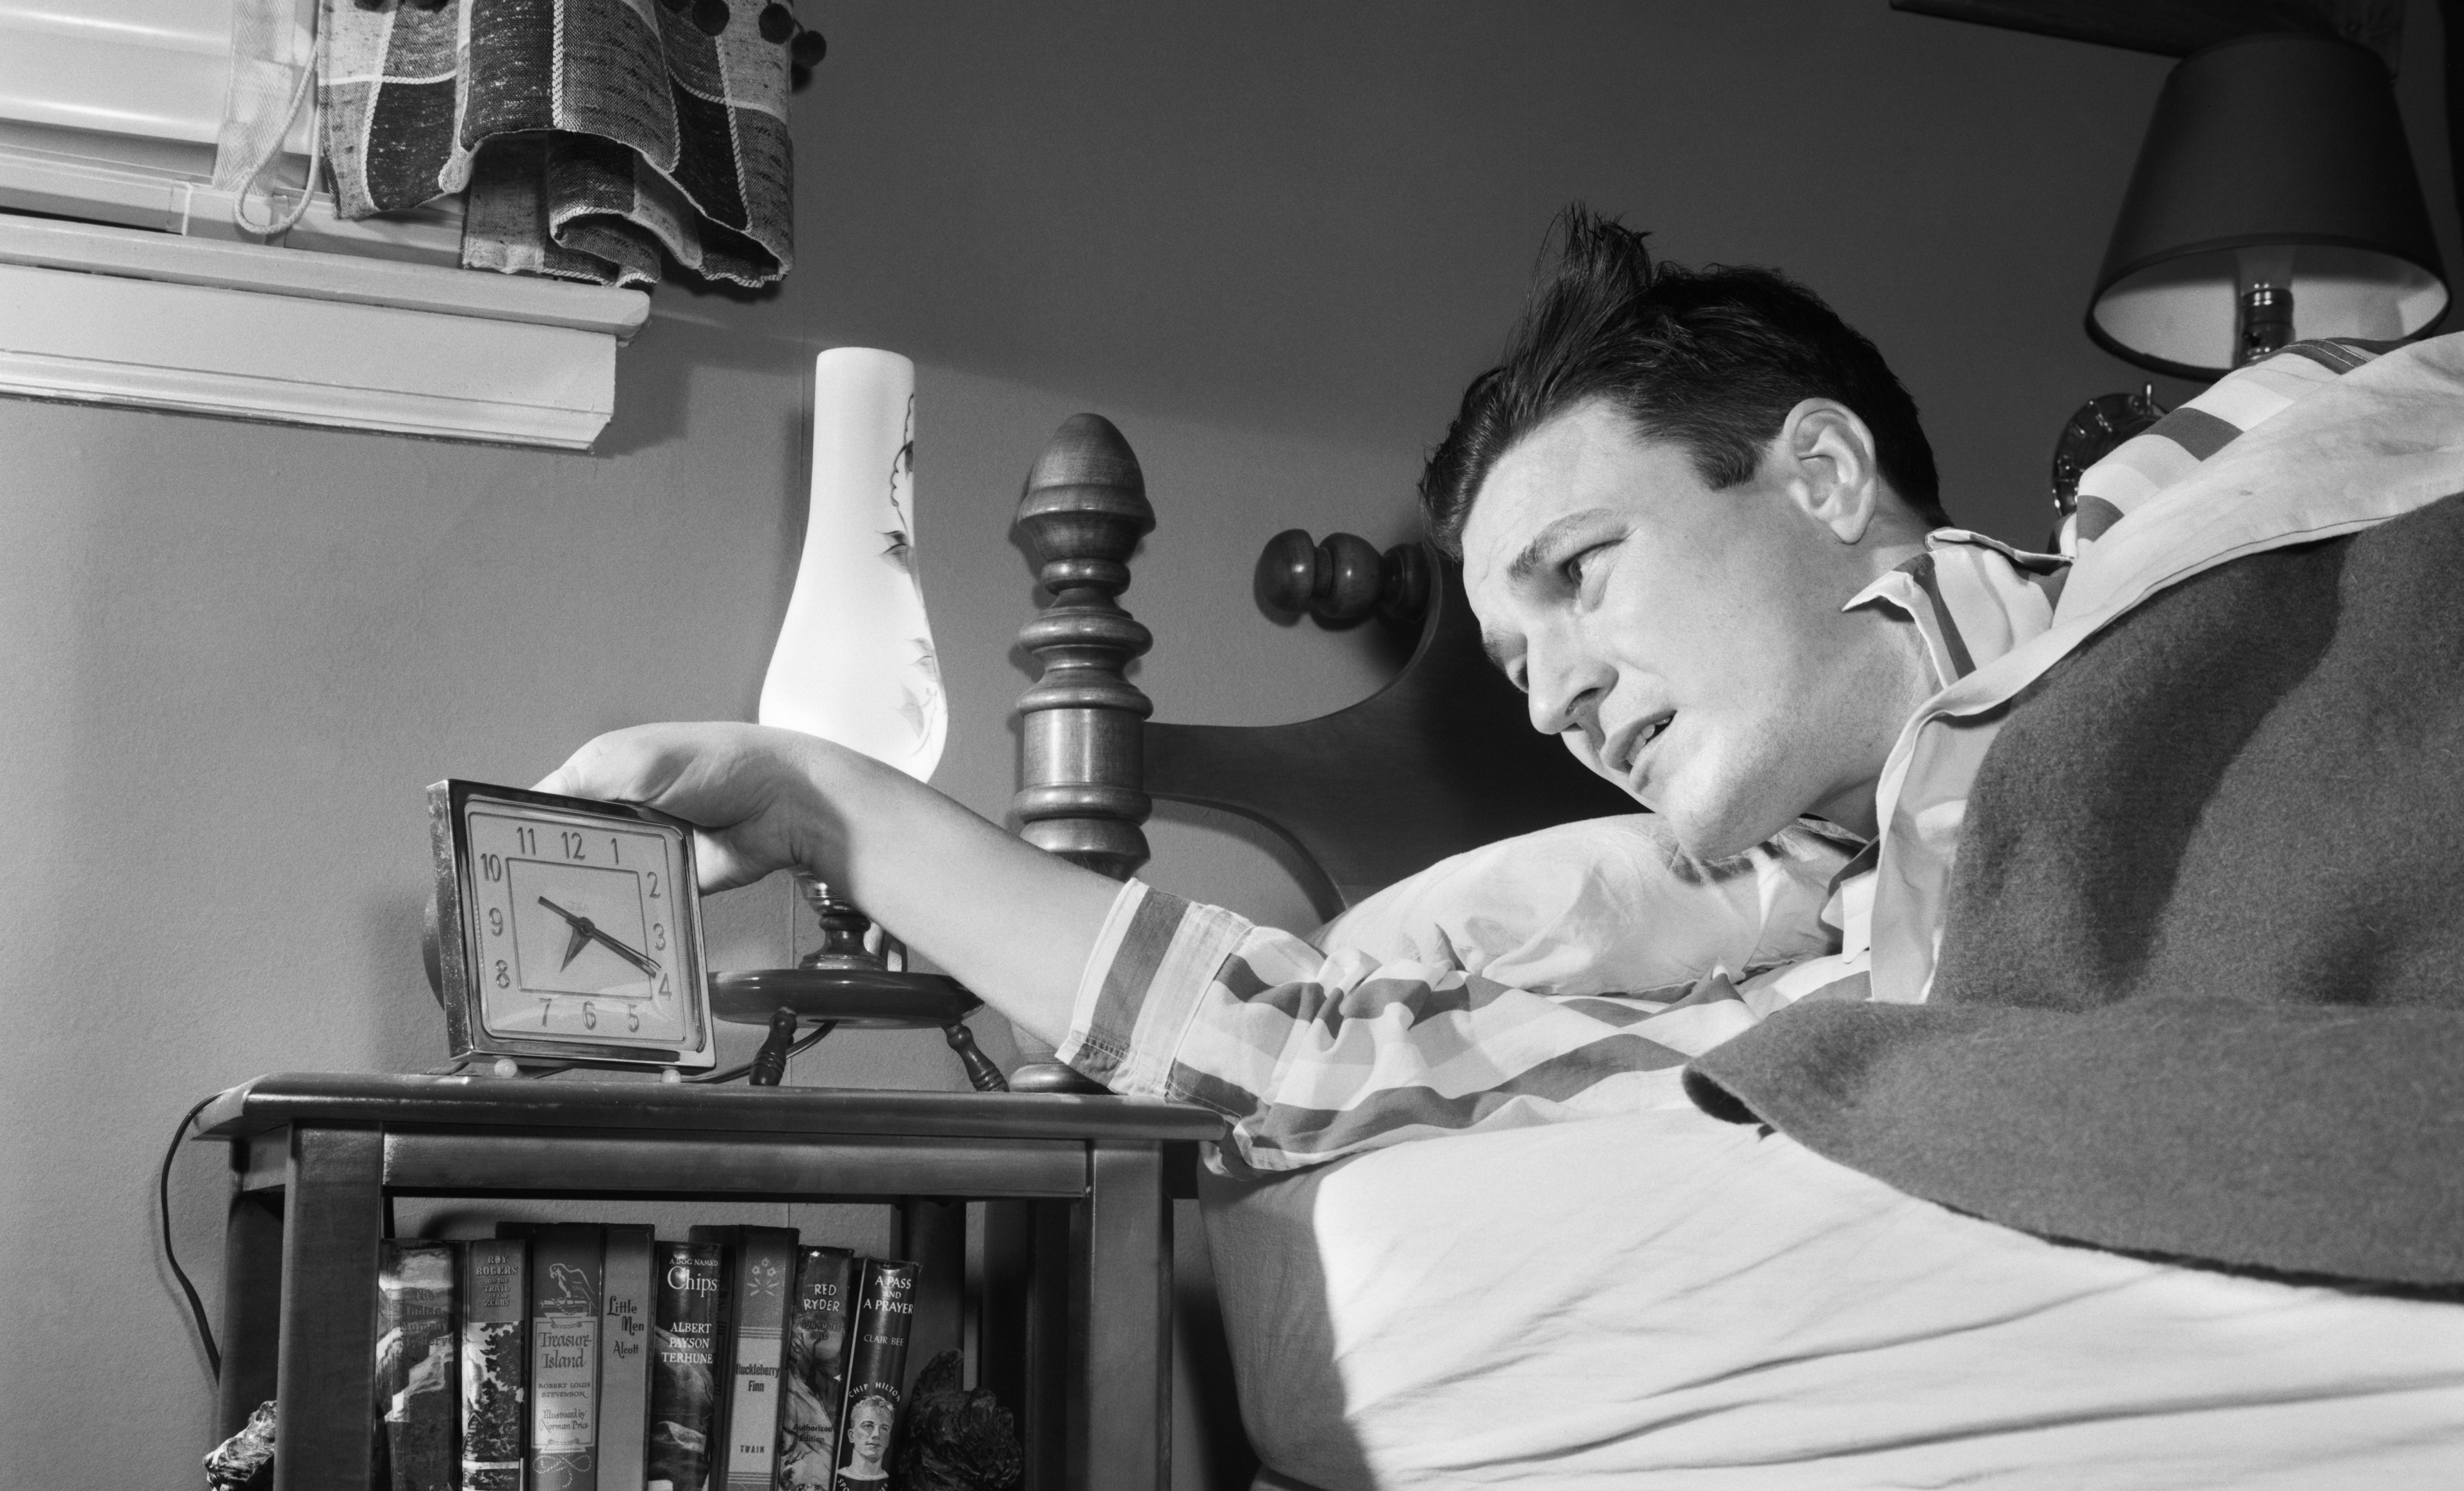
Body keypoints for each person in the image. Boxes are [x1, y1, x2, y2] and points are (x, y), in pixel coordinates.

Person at [542, 209, 2464, 1203]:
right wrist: (818, 800)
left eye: (1581, 579)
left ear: (1813, 473)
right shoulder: (1807, 977)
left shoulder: (2196, 496)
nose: (1563, 701)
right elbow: (1318, 1055)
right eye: (1519, 665)